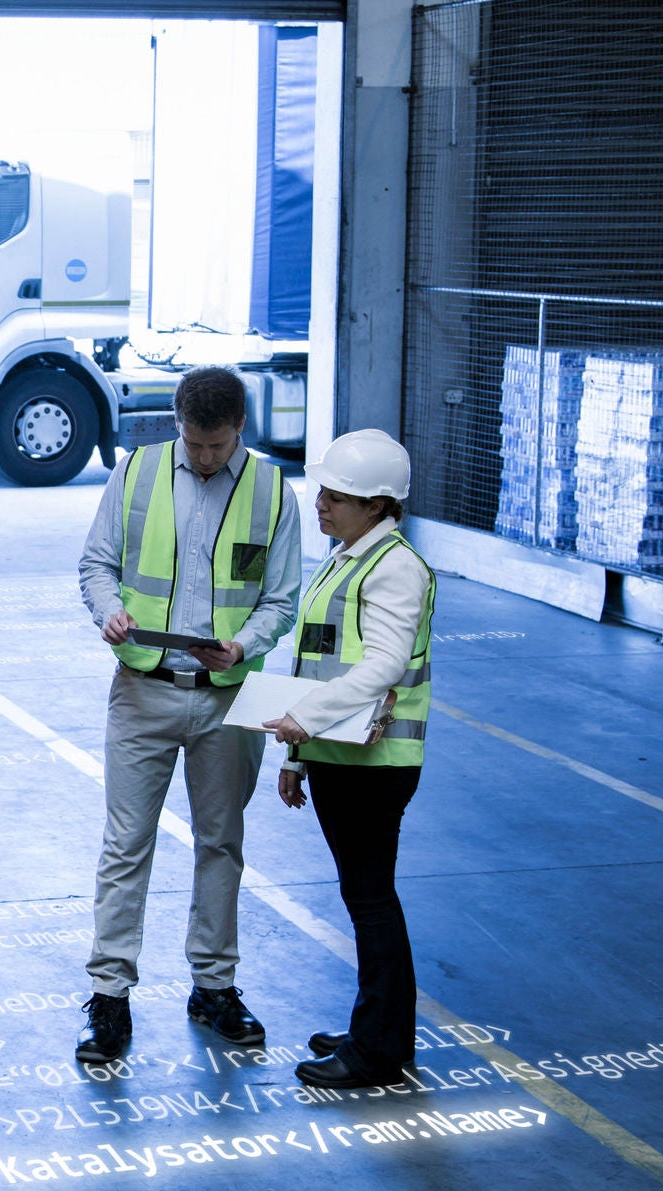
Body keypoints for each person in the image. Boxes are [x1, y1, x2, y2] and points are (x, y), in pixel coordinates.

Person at [74, 366, 303, 1063]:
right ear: (177, 422)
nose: (206, 459)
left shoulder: (271, 491)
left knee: (221, 844)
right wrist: (109, 612)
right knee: (125, 844)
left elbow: (282, 597)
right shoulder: (137, 473)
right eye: (196, 444)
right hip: (143, 689)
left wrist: (247, 644)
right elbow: (95, 564)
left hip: (228, 696)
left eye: (220, 446)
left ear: (241, 429)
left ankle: (213, 985)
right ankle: (109, 995)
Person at [262, 428, 436, 1091]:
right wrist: (300, 756)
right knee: (367, 897)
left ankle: (377, 1051)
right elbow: (321, 662)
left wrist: (305, 721)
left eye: (337, 496)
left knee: (370, 901)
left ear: (377, 505)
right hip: (340, 756)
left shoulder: (392, 566)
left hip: (374, 766)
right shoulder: (348, 557)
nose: (321, 504)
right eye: (324, 491)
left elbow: (385, 663)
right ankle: (379, 1029)